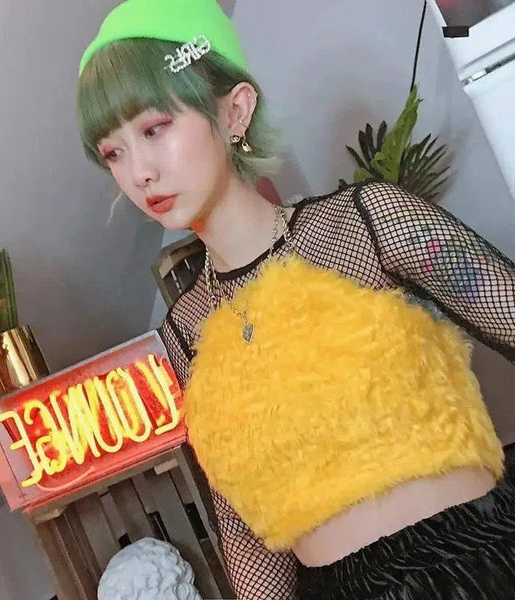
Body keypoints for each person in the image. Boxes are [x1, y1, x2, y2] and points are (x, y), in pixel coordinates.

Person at [76, 1, 515, 598]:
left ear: (235, 110)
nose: (139, 172)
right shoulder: (186, 330)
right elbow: (244, 527)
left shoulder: (366, 224)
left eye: (154, 129)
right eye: (113, 152)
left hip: (479, 564)